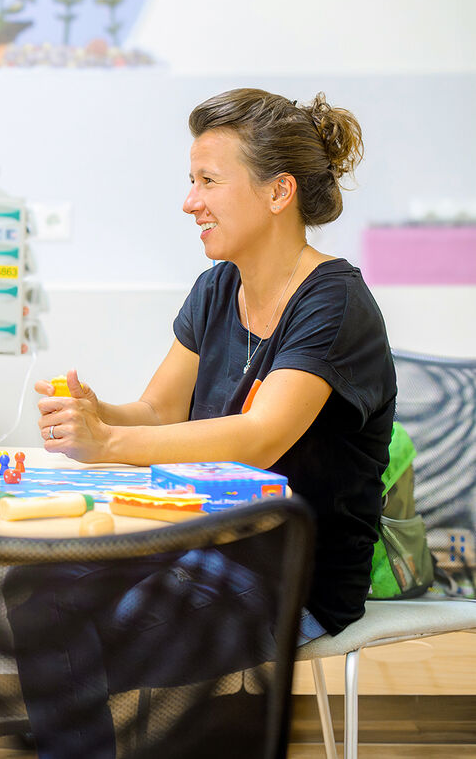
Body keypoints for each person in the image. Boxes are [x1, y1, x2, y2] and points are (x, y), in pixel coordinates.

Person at [19, 88, 395, 756]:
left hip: (289, 574)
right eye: (190, 182)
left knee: (105, 628)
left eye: (207, 182)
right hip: (198, 547)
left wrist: (108, 440)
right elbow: (158, 410)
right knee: (34, 596)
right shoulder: (216, 287)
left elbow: (259, 436)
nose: (190, 202)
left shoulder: (334, 302)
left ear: (277, 192)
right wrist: (96, 412)